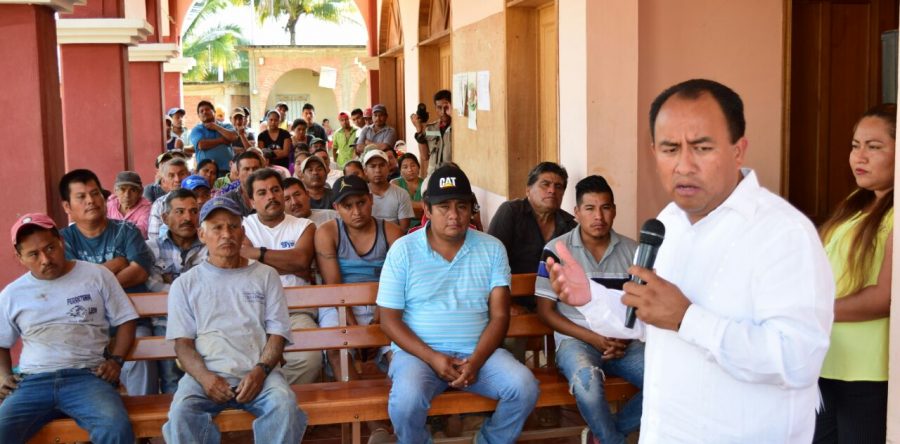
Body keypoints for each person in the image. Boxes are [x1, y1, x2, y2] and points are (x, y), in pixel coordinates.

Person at [547, 79, 835, 442]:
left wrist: (688, 318)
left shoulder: (783, 234)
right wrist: (591, 297)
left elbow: (797, 359)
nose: (684, 165)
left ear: (738, 150)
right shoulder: (668, 223)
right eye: (670, 149)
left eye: (702, 147)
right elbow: (646, 320)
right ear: (654, 153)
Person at [377, 165, 539, 444]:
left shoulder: (491, 248)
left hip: (477, 354)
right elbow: (389, 320)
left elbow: (500, 316)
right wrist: (432, 358)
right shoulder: (403, 250)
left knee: (524, 387)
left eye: (462, 206)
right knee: (405, 401)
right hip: (418, 356)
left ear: (472, 209)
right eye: (444, 207)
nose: (454, 215)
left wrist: (475, 361)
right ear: (426, 209)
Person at [163, 196, 307, 443]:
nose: (226, 234)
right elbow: (182, 345)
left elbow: (278, 333)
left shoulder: (266, 276)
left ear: (243, 233)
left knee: (283, 405)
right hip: (204, 375)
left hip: (259, 372)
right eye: (217, 227)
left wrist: (260, 372)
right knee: (181, 414)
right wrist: (206, 378)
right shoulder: (185, 284)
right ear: (202, 234)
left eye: (233, 226)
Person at [0, 213, 138, 444]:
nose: (45, 259)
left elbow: (126, 320)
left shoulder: (96, 275)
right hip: (33, 381)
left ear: (61, 242)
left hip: (87, 377)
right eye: (33, 254)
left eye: (50, 248)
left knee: (114, 427)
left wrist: (116, 361)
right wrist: (3, 376)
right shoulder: (12, 294)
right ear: (20, 257)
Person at [534, 175, 642, 444]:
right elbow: (546, 312)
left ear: (614, 210)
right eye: (590, 209)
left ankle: (605, 432)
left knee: (666, 379)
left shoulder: (633, 251)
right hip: (576, 342)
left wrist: (623, 338)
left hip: (624, 342)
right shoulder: (556, 250)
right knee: (589, 385)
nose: (599, 217)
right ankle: (611, 439)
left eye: (605, 208)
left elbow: (641, 306)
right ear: (577, 213)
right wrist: (594, 338)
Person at [814, 104, 896, 443]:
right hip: (826, 360)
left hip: (867, 372)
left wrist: (813, 311)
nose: (859, 156)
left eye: (874, 147)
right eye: (855, 145)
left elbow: (886, 296)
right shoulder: (856, 204)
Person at [315, 175, 404, 381]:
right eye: (347, 206)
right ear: (336, 207)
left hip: (385, 301)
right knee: (337, 351)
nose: (356, 212)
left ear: (371, 199)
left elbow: (396, 284)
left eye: (361, 203)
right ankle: (354, 406)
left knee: (400, 352)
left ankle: (398, 403)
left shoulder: (392, 232)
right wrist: (355, 328)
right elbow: (334, 287)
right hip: (339, 305)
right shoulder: (328, 233)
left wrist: (376, 323)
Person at [241, 169, 322, 385]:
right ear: (251, 201)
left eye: (275, 190)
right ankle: (270, 396)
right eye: (262, 193)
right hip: (253, 312)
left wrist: (258, 254)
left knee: (311, 357)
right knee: (241, 360)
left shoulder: (303, 226)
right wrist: (289, 264)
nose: (271, 196)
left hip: (295, 311)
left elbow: (301, 261)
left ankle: (273, 395)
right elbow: (244, 269)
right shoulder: (242, 227)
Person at [488, 161, 576, 311]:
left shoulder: (570, 226)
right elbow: (490, 263)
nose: (552, 190)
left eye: (558, 187)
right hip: (511, 303)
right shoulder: (511, 213)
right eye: (545, 184)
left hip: (554, 307)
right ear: (528, 190)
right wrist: (507, 305)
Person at [146, 188, 207, 394]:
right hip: (166, 322)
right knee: (171, 380)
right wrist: (187, 288)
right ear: (165, 217)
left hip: (204, 323)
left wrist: (171, 283)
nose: (188, 218)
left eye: (193, 211)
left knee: (205, 380)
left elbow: (208, 288)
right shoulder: (151, 248)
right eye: (180, 212)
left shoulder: (209, 247)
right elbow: (152, 286)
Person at [363, 150, 414, 232]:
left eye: (382, 165)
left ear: (388, 168)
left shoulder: (402, 194)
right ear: (365, 171)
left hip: (394, 241)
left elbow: (404, 229)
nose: (377, 170)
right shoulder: (361, 194)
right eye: (372, 166)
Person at [148, 157, 192, 239]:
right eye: (171, 176)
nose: (177, 179)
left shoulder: (199, 200)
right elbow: (154, 238)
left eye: (181, 174)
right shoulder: (159, 205)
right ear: (164, 181)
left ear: (189, 175)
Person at [190, 100, 238, 175]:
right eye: (201, 111)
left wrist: (216, 127)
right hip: (206, 172)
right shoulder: (197, 129)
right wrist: (222, 140)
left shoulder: (226, 126)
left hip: (226, 170)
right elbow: (201, 145)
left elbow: (233, 137)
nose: (204, 112)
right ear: (199, 116)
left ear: (214, 112)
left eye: (207, 109)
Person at [411, 89, 452, 176]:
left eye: (446, 107)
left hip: (451, 176)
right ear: (435, 108)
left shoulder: (458, 129)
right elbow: (424, 156)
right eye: (439, 107)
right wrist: (419, 130)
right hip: (433, 176)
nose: (443, 112)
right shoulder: (431, 129)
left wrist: (453, 115)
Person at [107, 170, 152, 238]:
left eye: (132, 190)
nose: (127, 195)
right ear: (115, 191)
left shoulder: (146, 208)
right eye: (123, 189)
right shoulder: (109, 205)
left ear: (140, 192)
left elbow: (140, 232)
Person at [221, 151, 265, 216]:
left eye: (255, 168)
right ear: (238, 173)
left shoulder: (270, 196)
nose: (251, 173)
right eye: (246, 169)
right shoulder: (227, 200)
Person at [391, 153, 423, 229]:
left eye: (413, 165)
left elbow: (427, 206)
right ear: (400, 170)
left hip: (422, 225)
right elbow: (395, 208)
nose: (410, 169)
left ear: (418, 167)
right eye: (405, 167)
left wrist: (404, 207)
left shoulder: (426, 183)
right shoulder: (395, 183)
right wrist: (419, 207)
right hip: (400, 226)